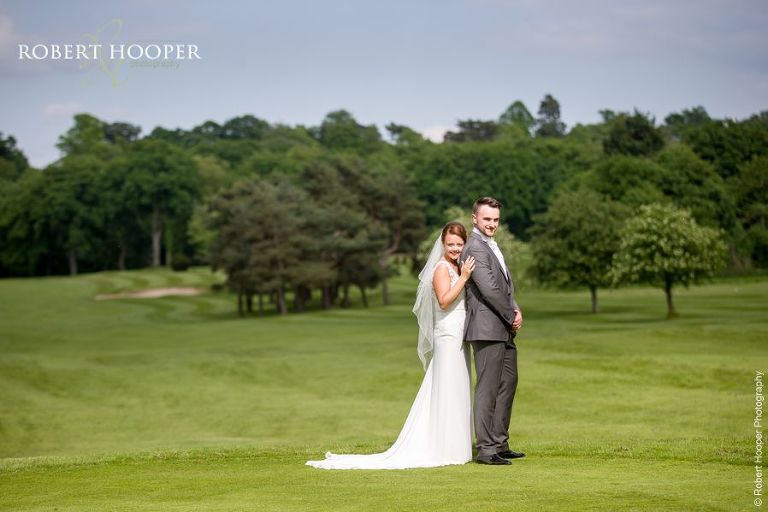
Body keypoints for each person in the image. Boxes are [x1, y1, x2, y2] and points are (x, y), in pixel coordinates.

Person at [306, 222, 476, 470]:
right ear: (442, 243)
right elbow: (443, 301)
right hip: (447, 336)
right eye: (450, 244)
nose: (455, 249)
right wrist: (463, 278)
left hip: (458, 336)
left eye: (459, 244)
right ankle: (445, 449)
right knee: (448, 388)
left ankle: (457, 447)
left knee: (458, 389)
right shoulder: (442, 268)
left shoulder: (456, 265)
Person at [460, 197, 524, 465]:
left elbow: (506, 285)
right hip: (487, 328)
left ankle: (500, 442)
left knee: (508, 383)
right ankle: (486, 450)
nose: (492, 224)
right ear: (475, 218)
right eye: (487, 219)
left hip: (504, 326)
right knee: (488, 388)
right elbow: (489, 290)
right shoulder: (474, 247)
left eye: (496, 220)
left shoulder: (492, 246)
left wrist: (516, 309)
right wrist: (511, 315)